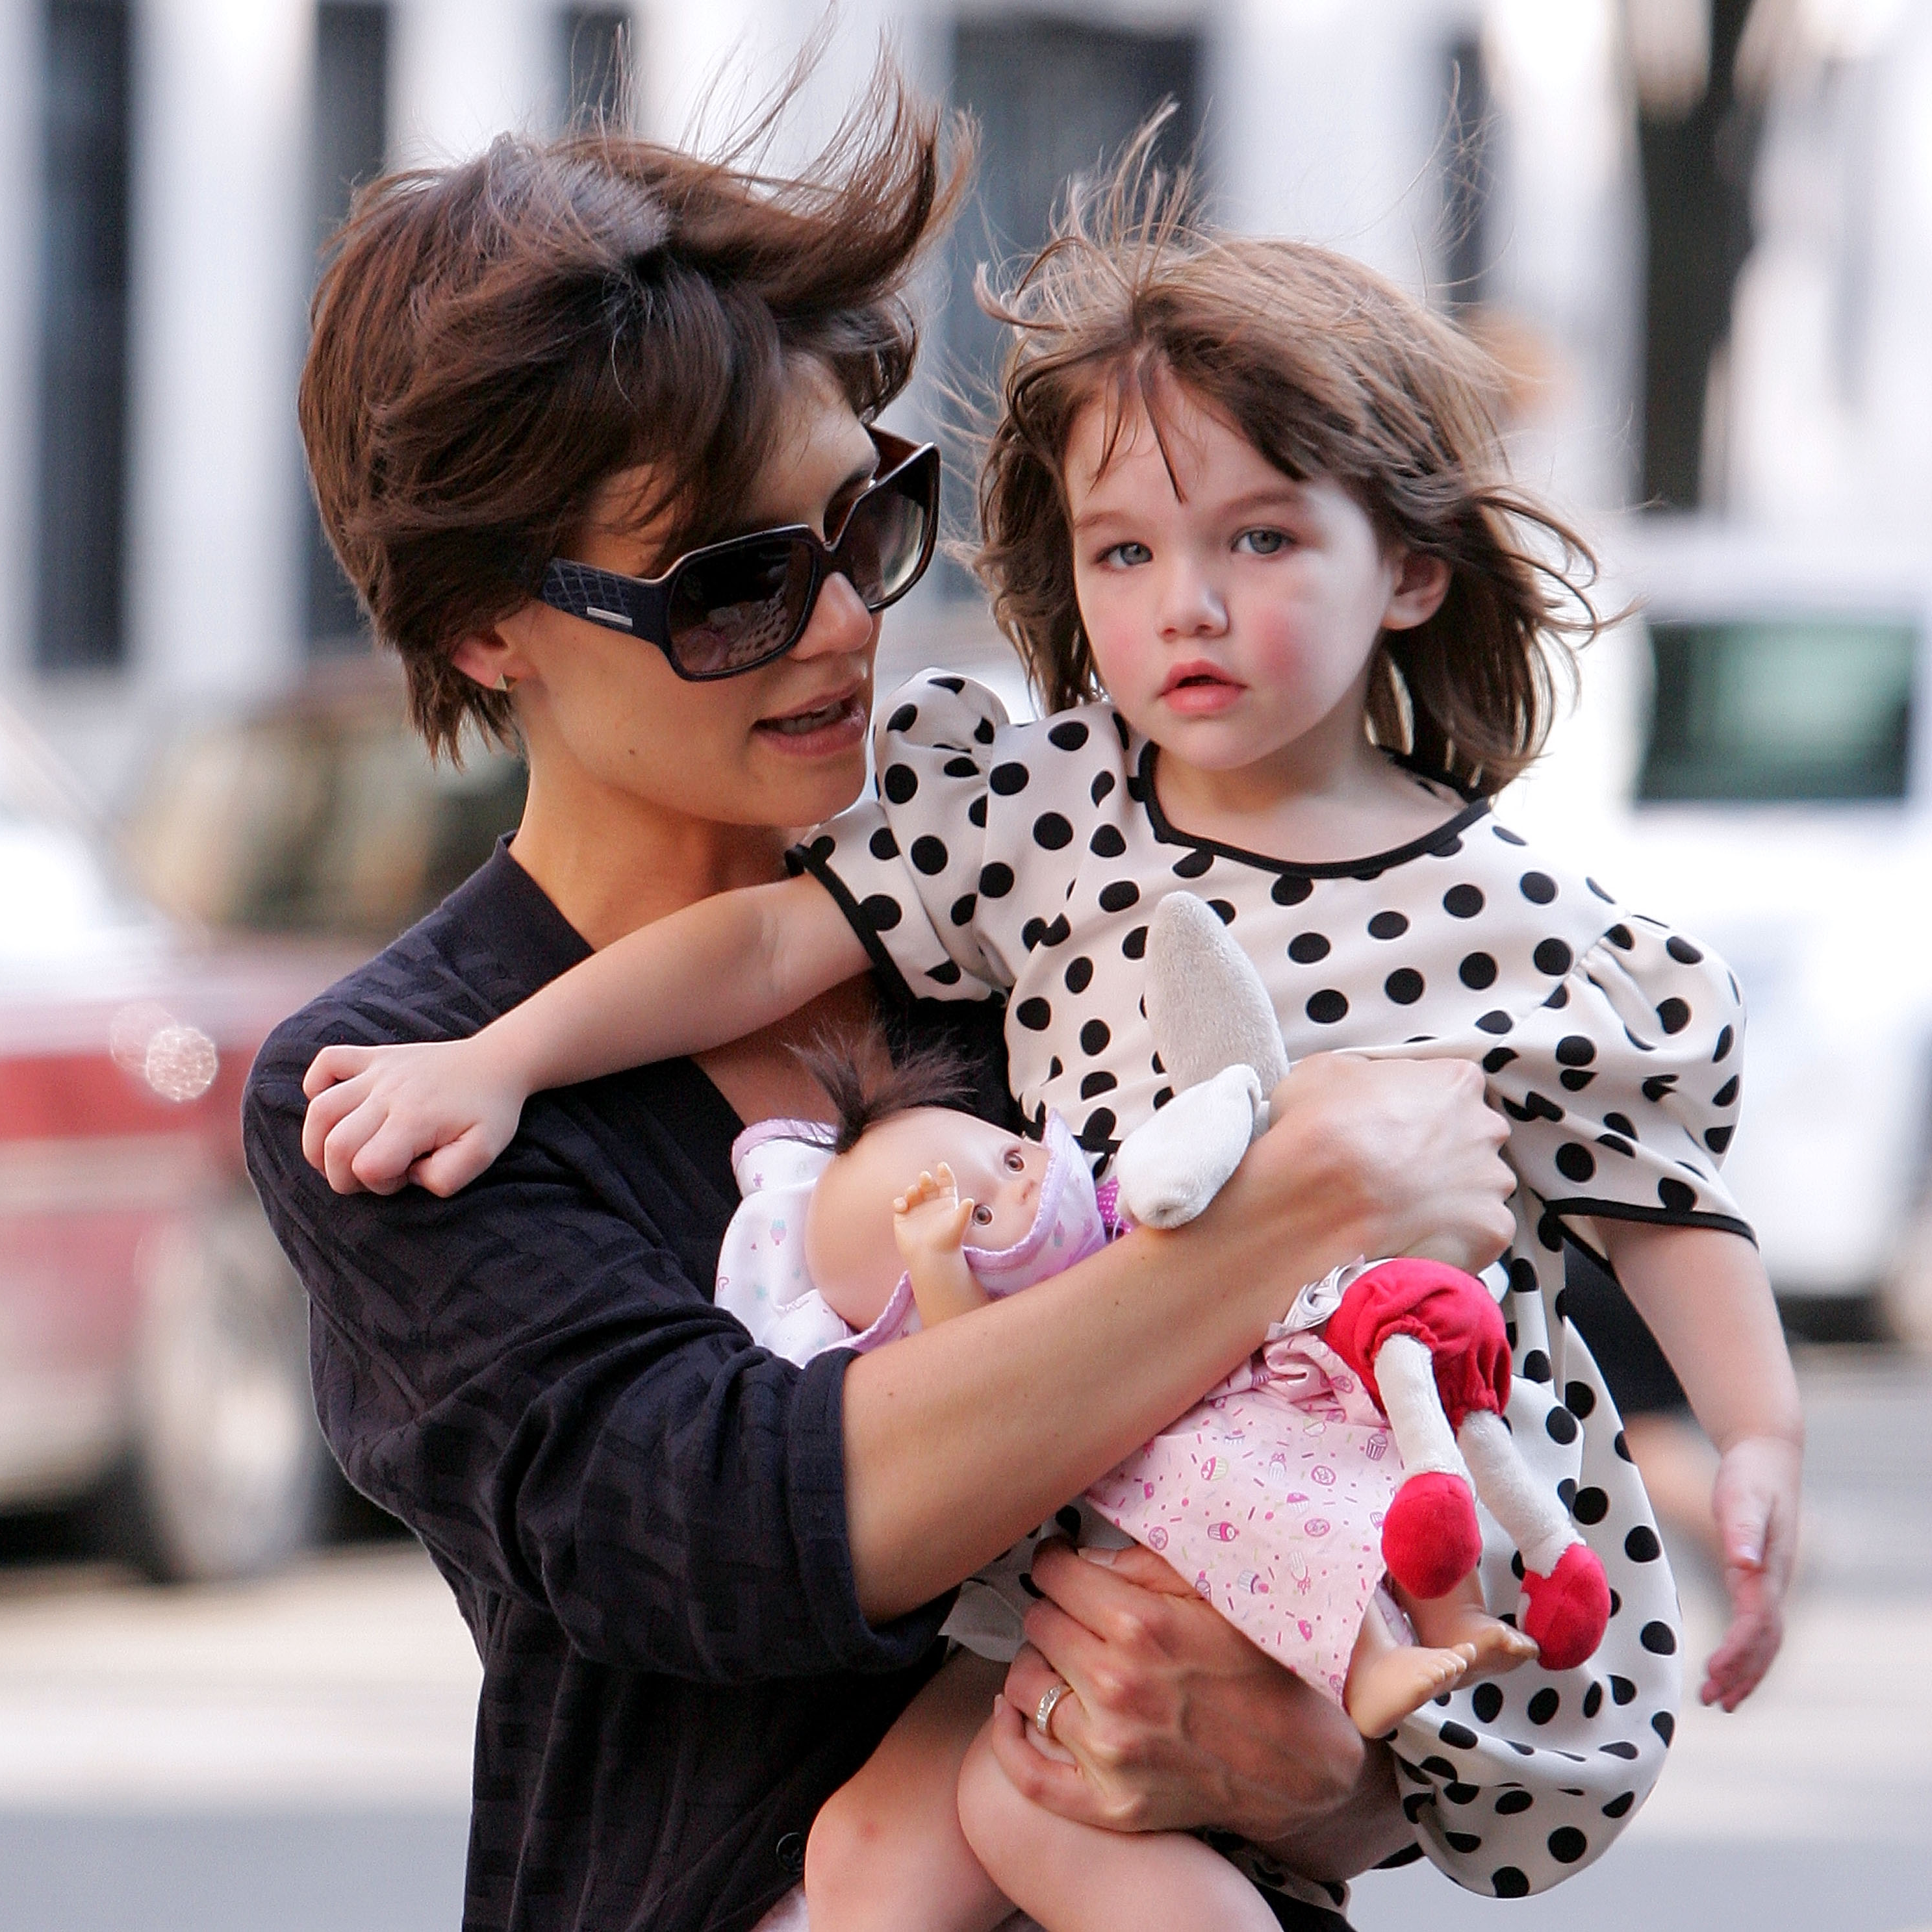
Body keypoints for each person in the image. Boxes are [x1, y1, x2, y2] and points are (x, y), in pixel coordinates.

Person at [292, 140, 1804, 1922]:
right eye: (734, 585)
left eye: (870, 525)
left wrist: (1328, 1775)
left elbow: (1393, 1612)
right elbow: (715, 1537)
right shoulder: (401, 1077)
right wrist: (1289, 1211)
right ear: (486, 630)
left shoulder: (1037, 891)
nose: (849, 623)